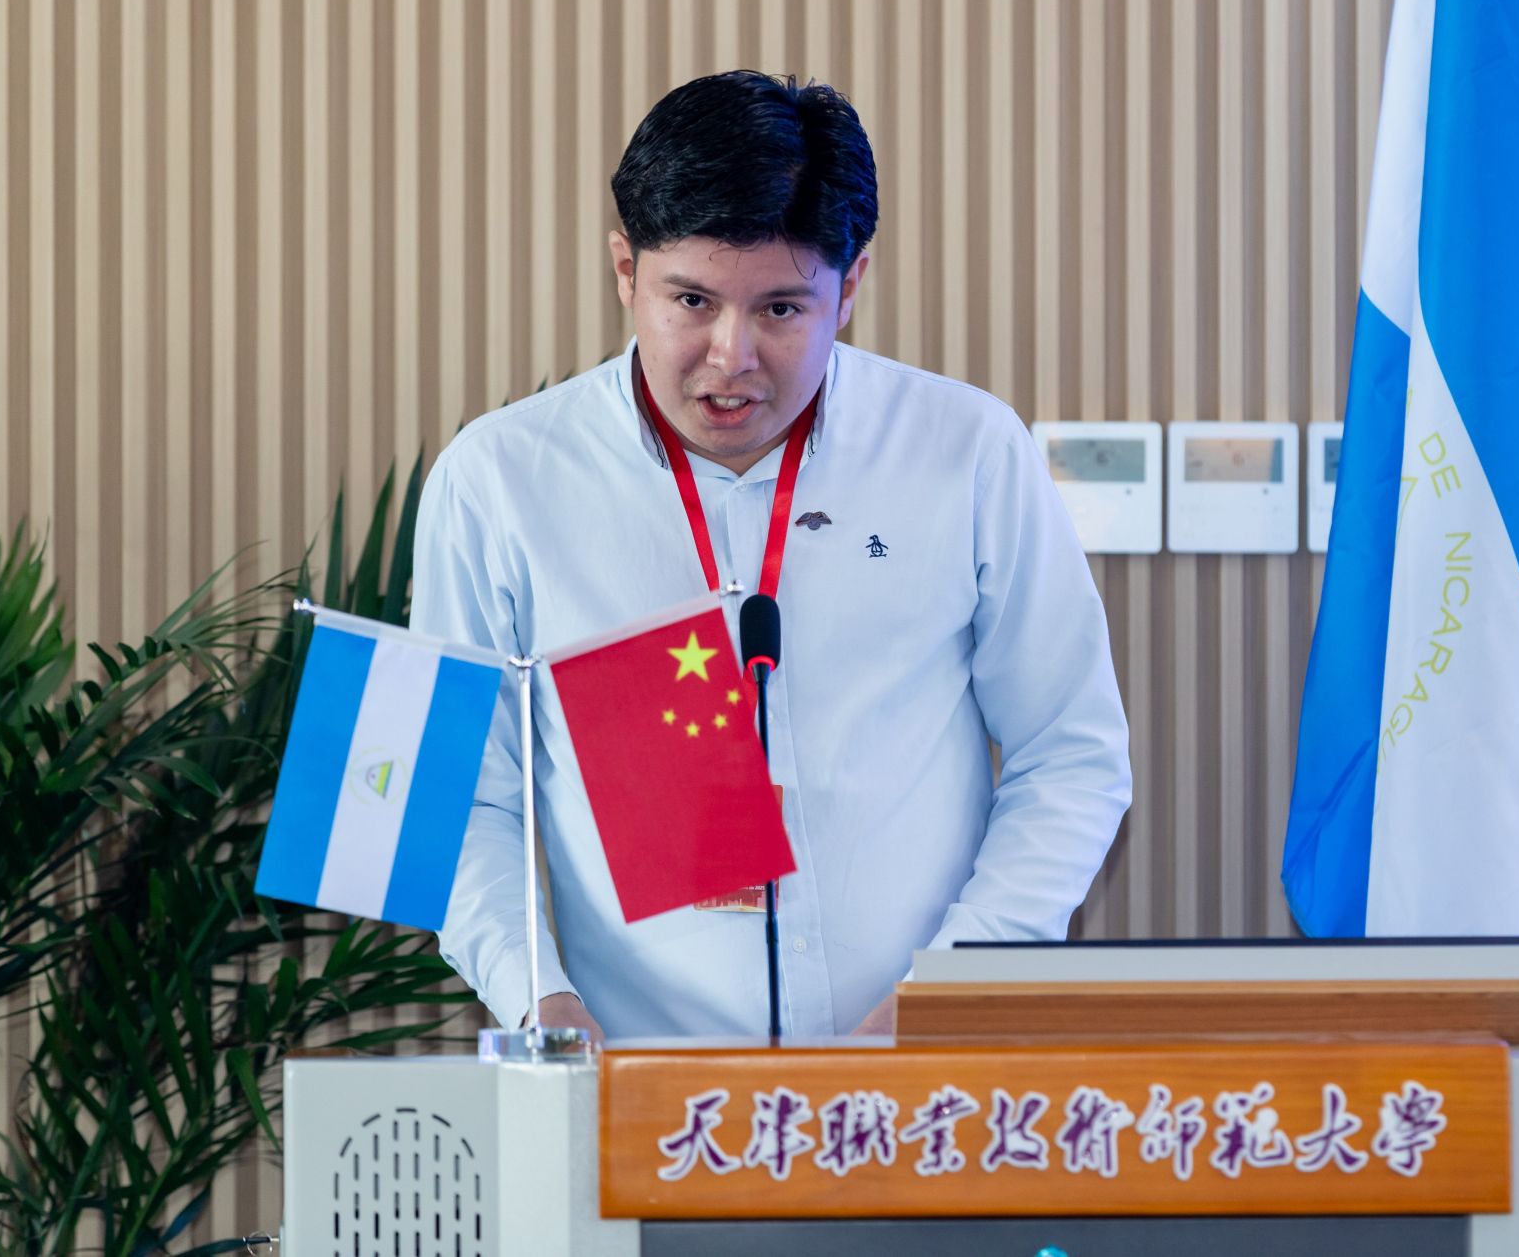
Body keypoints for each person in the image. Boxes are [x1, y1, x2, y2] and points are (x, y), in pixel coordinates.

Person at [410, 71, 1132, 1040]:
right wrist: (541, 1000)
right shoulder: (501, 480)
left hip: (914, 1069)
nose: (731, 355)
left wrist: (947, 996)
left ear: (851, 285)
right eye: (691, 300)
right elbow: (457, 799)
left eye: (782, 309)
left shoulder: (964, 450)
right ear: (625, 270)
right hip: (637, 1074)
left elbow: (1069, 754)